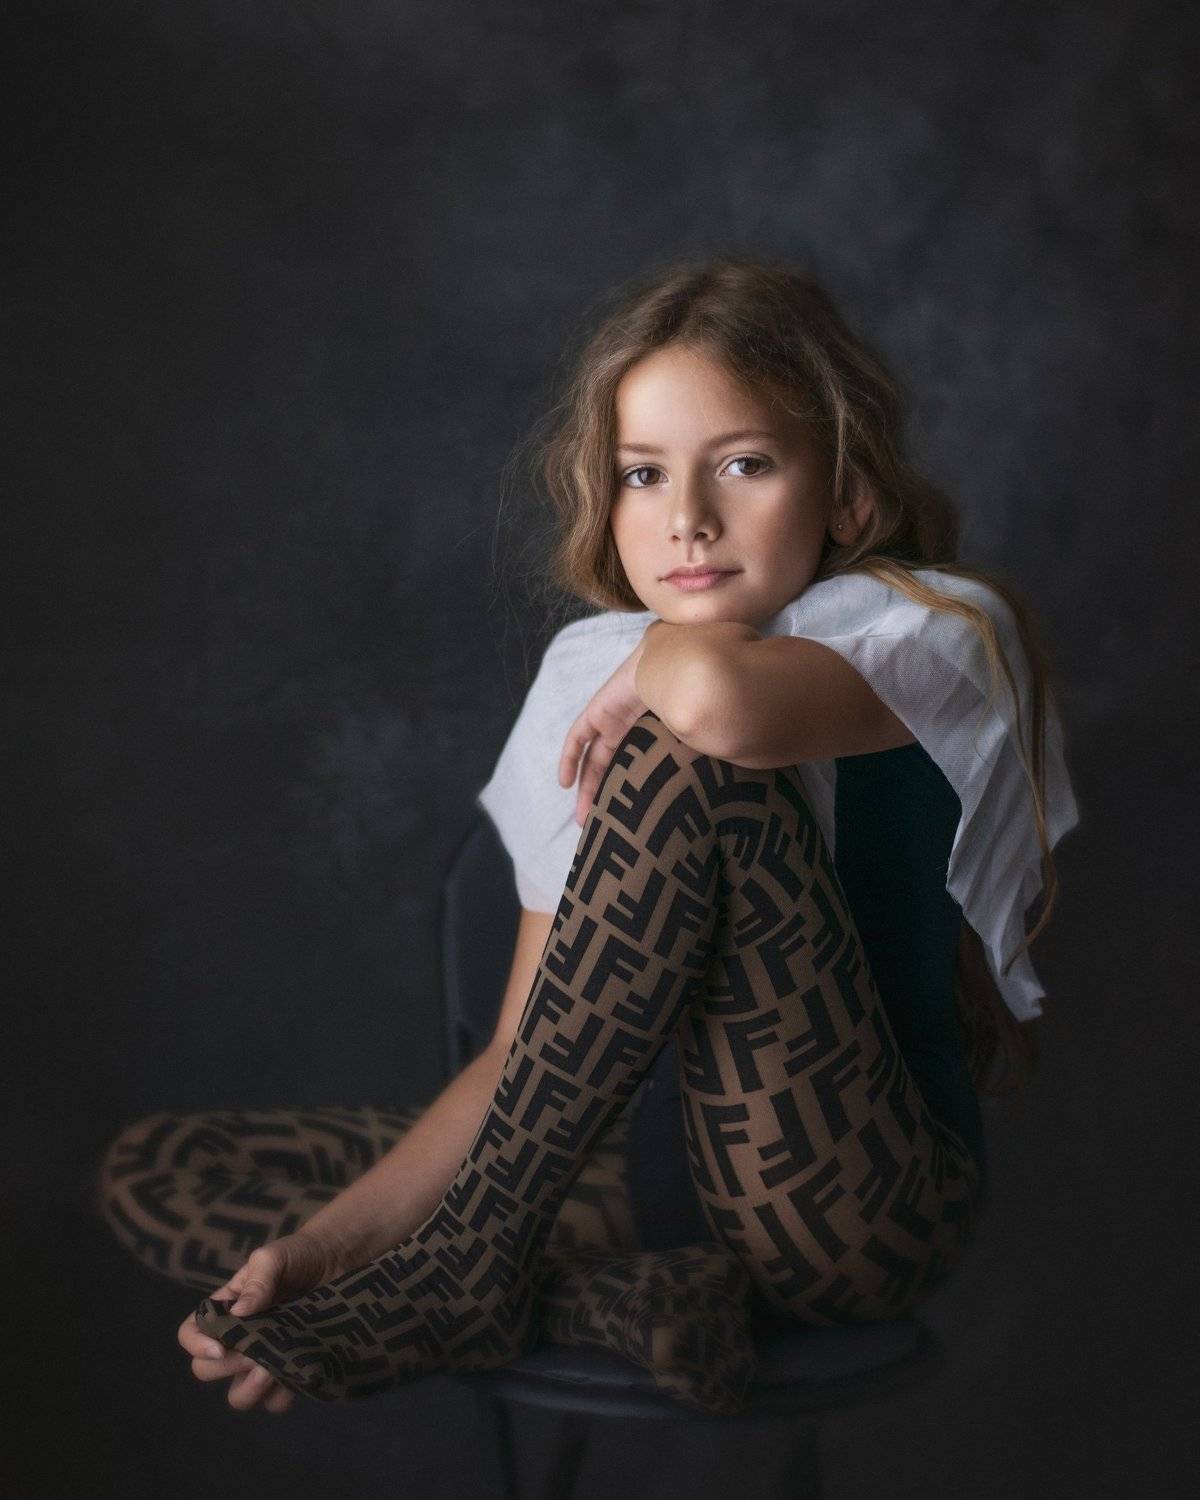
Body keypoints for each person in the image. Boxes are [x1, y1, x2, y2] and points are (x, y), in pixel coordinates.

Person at [95, 254, 1080, 1418]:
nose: (688, 520)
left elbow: (714, 706)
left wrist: (654, 652)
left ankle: (472, 1268)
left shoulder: (934, 630)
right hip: (645, 1183)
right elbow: (519, 1055)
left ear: (848, 494)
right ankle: (590, 1295)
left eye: (745, 465)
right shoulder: (591, 667)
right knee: (163, 1173)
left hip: (851, 1205)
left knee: (681, 751)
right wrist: (324, 1251)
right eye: (643, 474)